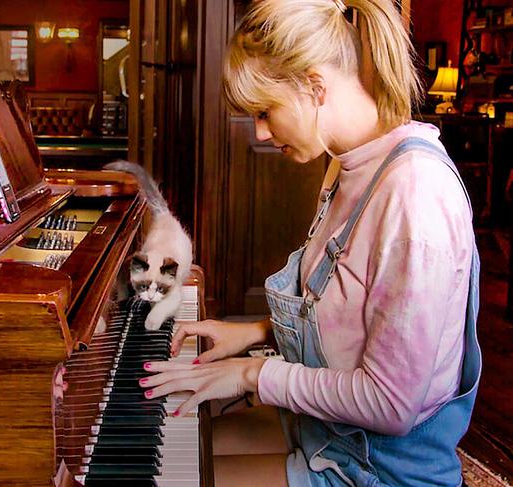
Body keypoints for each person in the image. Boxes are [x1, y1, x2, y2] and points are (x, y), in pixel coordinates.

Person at [139, 0, 482, 485]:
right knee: (188, 441)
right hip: (330, 434)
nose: (259, 131)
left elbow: (391, 406)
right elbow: (348, 312)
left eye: (265, 111)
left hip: (377, 468)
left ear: (315, 87)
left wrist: (251, 374)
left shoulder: (415, 195)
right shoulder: (344, 165)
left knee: (179, 477)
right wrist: (257, 333)